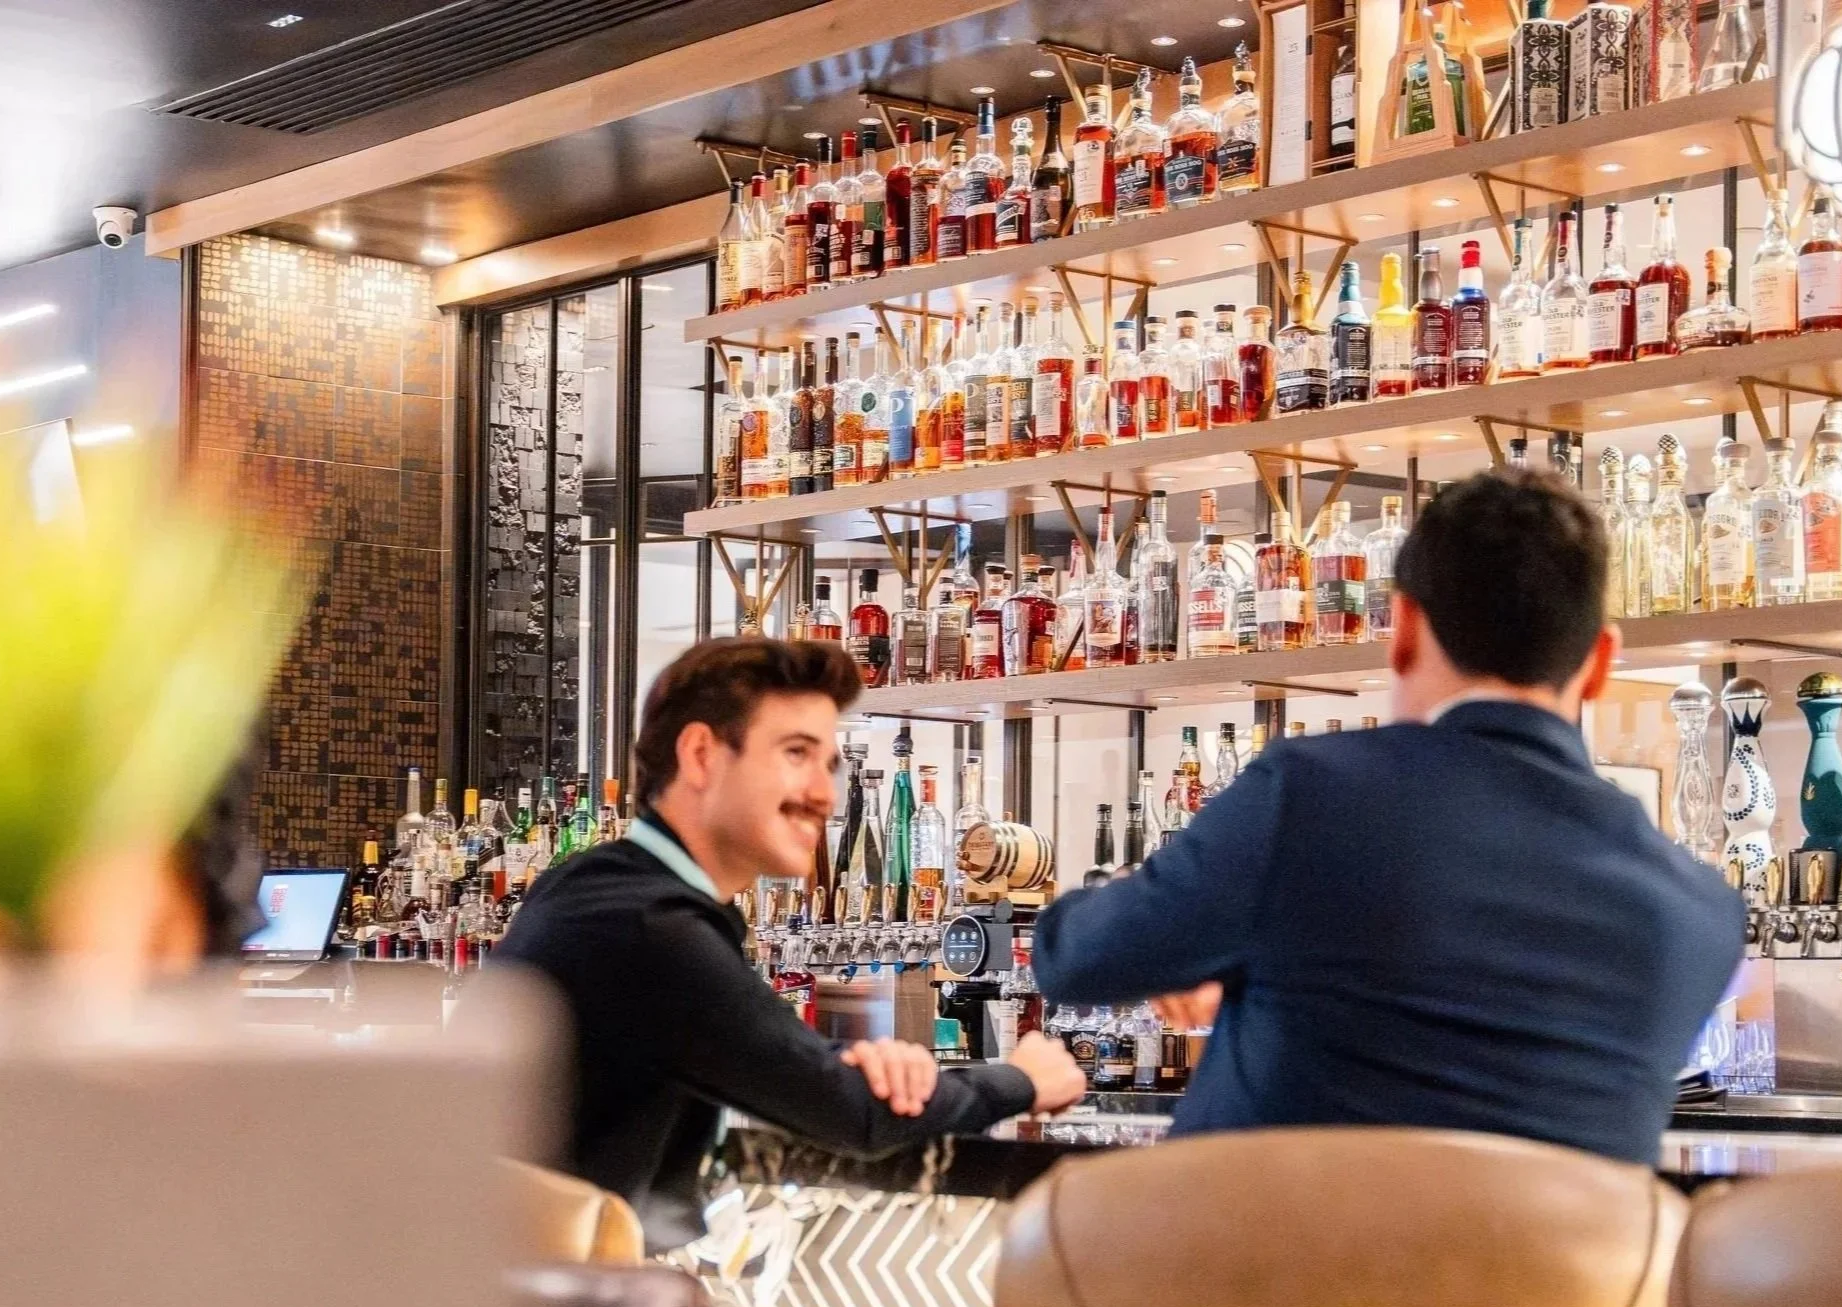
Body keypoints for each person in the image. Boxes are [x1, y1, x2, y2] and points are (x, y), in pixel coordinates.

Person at [1033, 468, 1744, 1167]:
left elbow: (1074, 958)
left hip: (1265, 1274)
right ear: (1599, 663)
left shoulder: (1304, 796)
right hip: (1555, 1285)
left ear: (1400, 627)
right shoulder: (1699, 913)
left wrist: (1184, 915)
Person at [500, 637, 1084, 1245]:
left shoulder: (599, 887)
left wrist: (861, 1064)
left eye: (827, 764)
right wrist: (1023, 1079)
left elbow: (774, 1063)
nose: (825, 795)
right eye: (796, 754)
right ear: (701, 754)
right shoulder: (648, 925)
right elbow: (852, 1115)